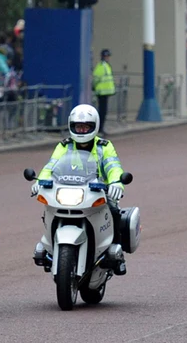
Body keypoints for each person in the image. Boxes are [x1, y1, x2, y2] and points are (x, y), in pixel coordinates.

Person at [31, 104, 127, 275]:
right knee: (49, 210)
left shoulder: (104, 146)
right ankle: (49, 248)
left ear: (94, 126)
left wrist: (116, 183)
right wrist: (40, 180)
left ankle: (116, 255)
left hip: (99, 192)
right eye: (78, 127)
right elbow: (51, 166)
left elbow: (113, 167)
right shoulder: (64, 146)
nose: (82, 131)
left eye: (86, 127)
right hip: (68, 190)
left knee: (114, 211)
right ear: (72, 126)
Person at [92, 49, 116, 134]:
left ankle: (101, 128)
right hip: (102, 92)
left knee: (103, 111)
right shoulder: (101, 66)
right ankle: (99, 129)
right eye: (106, 56)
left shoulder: (105, 66)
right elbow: (96, 78)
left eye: (108, 56)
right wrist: (94, 87)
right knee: (102, 112)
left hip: (105, 92)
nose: (108, 58)